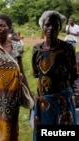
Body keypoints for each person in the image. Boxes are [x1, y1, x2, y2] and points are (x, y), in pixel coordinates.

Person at [32, 11, 78, 141]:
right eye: (47, 25)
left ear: (60, 27)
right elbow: (37, 74)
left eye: (55, 25)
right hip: (43, 102)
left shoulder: (67, 48)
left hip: (63, 100)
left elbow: (74, 73)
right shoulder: (37, 49)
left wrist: (72, 94)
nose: (51, 28)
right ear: (43, 27)